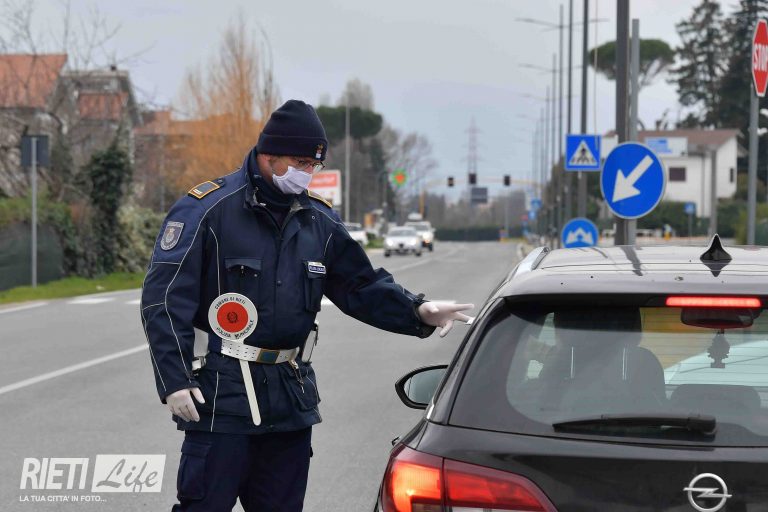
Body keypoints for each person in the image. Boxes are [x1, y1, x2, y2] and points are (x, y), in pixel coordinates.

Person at [140, 99, 473, 512]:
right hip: (222, 401)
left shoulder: (318, 221)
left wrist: (416, 311)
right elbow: (164, 299)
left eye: (314, 165)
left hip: (290, 399)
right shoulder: (208, 210)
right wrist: (174, 379)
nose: (308, 173)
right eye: (300, 163)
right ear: (269, 155)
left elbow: (360, 285)